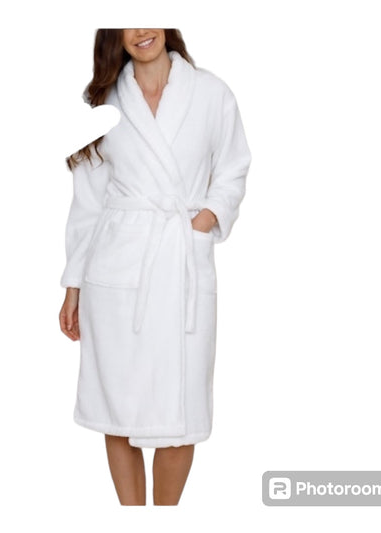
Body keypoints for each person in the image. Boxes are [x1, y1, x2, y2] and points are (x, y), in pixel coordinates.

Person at [59, 28, 252, 505]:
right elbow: (87, 200)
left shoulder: (211, 93)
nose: (142, 30)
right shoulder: (104, 102)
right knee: (117, 407)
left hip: (181, 263)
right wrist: (73, 285)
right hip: (116, 269)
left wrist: (205, 220)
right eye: (128, 22)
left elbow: (233, 168)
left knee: (181, 413)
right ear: (115, 34)